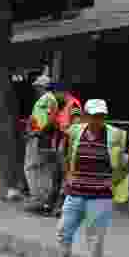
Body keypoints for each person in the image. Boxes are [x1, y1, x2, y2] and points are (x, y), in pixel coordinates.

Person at [56, 98, 129, 257]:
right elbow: (61, 151)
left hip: (101, 195)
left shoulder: (116, 135)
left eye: (101, 116)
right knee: (64, 230)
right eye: (94, 116)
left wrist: (116, 179)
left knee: (95, 238)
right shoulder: (74, 132)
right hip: (75, 192)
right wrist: (67, 176)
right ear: (85, 116)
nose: (97, 120)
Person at [43, 83, 85, 217]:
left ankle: (62, 207)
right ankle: (50, 205)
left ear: (63, 92)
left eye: (55, 94)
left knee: (66, 178)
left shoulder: (73, 105)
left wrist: (65, 136)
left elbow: (77, 125)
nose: (54, 97)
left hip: (68, 145)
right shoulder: (60, 106)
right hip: (60, 143)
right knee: (57, 176)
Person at [23, 73, 60, 211]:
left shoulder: (47, 99)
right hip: (39, 136)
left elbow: (49, 118)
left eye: (37, 86)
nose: (36, 89)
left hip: (38, 137)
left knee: (32, 167)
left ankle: (38, 198)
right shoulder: (46, 99)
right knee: (39, 168)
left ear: (42, 86)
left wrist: (36, 132)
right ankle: (43, 200)